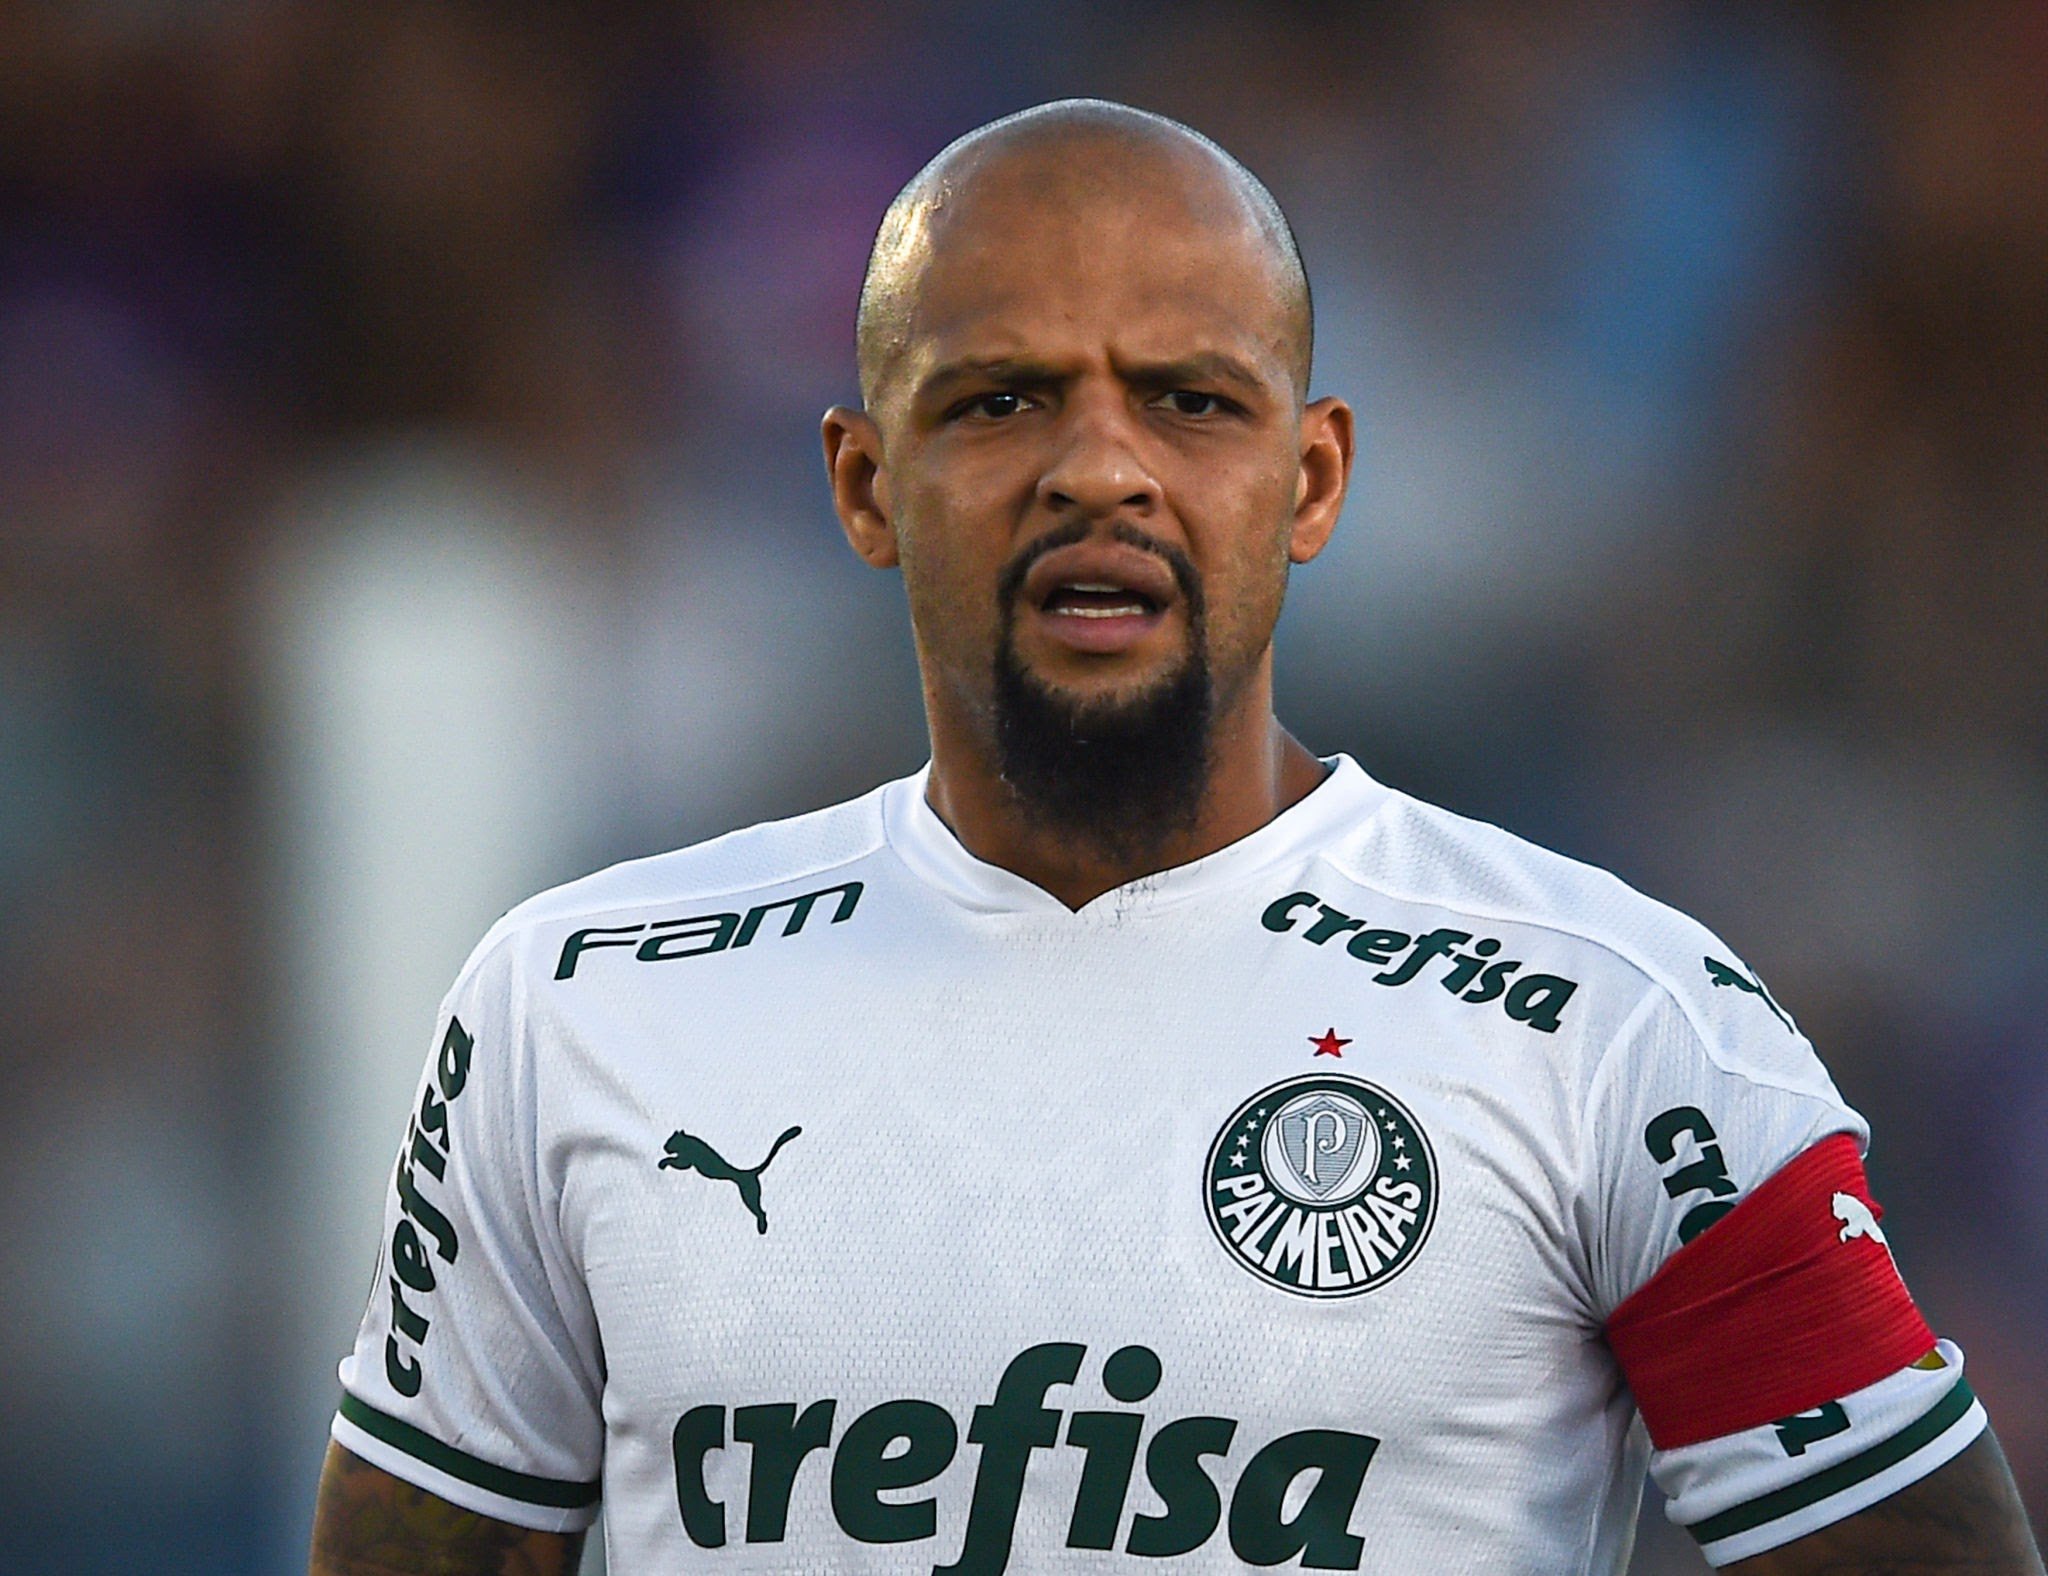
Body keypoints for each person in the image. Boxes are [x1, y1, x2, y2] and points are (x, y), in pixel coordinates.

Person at [309, 100, 2043, 1575]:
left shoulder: (1617, 1028)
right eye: (999, 401)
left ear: (1310, 481)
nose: (1099, 468)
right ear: (859, 484)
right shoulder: (578, 1006)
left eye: (1192, 402)